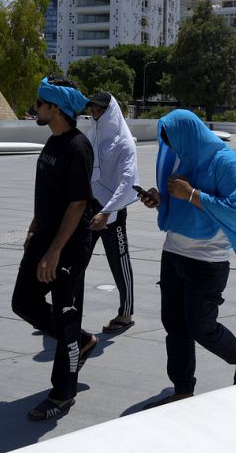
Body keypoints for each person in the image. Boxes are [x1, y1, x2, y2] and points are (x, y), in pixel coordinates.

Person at [138, 109, 236, 408]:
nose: (172, 148)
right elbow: (178, 201)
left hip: (207, 259)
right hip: (173, 253)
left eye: (175, 141)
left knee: (201, 327)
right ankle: (182, 389)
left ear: (189, 134)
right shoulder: (180, 156)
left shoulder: (226, 161)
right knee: (175, 326)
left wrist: (192, 194)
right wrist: (160, 200)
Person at [11, 76, 97, 421]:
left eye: (40, 103)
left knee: (65, 315)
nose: (35, 108)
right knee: (23, 301)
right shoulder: (52, 142)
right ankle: (80, 339)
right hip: (45, 237)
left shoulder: (77, 147)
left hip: (69, 245)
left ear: (55, 108)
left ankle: (63, 393)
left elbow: (77, 204)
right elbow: (48, 193)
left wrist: (54, 251)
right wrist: (35, 225)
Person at [86, 92, 139, 334]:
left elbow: (127, 181)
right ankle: (66, 309)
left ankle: (126, 314)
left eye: (100, 110)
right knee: (77, 260)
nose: (95, 115)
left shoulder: (124, 142)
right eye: (93, 110)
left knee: (119, 262)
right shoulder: (93, 134)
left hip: (112, 213)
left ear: (111, 112)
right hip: (89, 208)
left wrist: (107, 212)